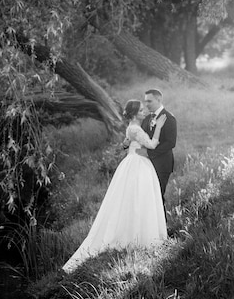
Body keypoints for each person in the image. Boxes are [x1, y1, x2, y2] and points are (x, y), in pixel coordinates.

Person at [61, 100, 167, 274]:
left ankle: (136, 233)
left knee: (134, 199)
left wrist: (130, 145)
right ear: (133, 114)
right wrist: (159, 127)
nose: (144, 112)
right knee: (138, 198)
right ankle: (136, 237)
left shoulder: (132, 128)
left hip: (133, 162)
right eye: (141, 110)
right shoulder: (135, 128)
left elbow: (125, 144)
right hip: (138, 165)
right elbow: (152, 145)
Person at [141, 89, 177, 210]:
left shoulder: (169, 118)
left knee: (157, 196)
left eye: (149, 101)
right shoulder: (146, 119)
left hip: (162, 164)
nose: (147, 104)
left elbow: (171, 142)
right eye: (145, 101)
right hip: (146, 164)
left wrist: (150, 153)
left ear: (159, 100)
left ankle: (162, 227)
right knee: (147, 196)